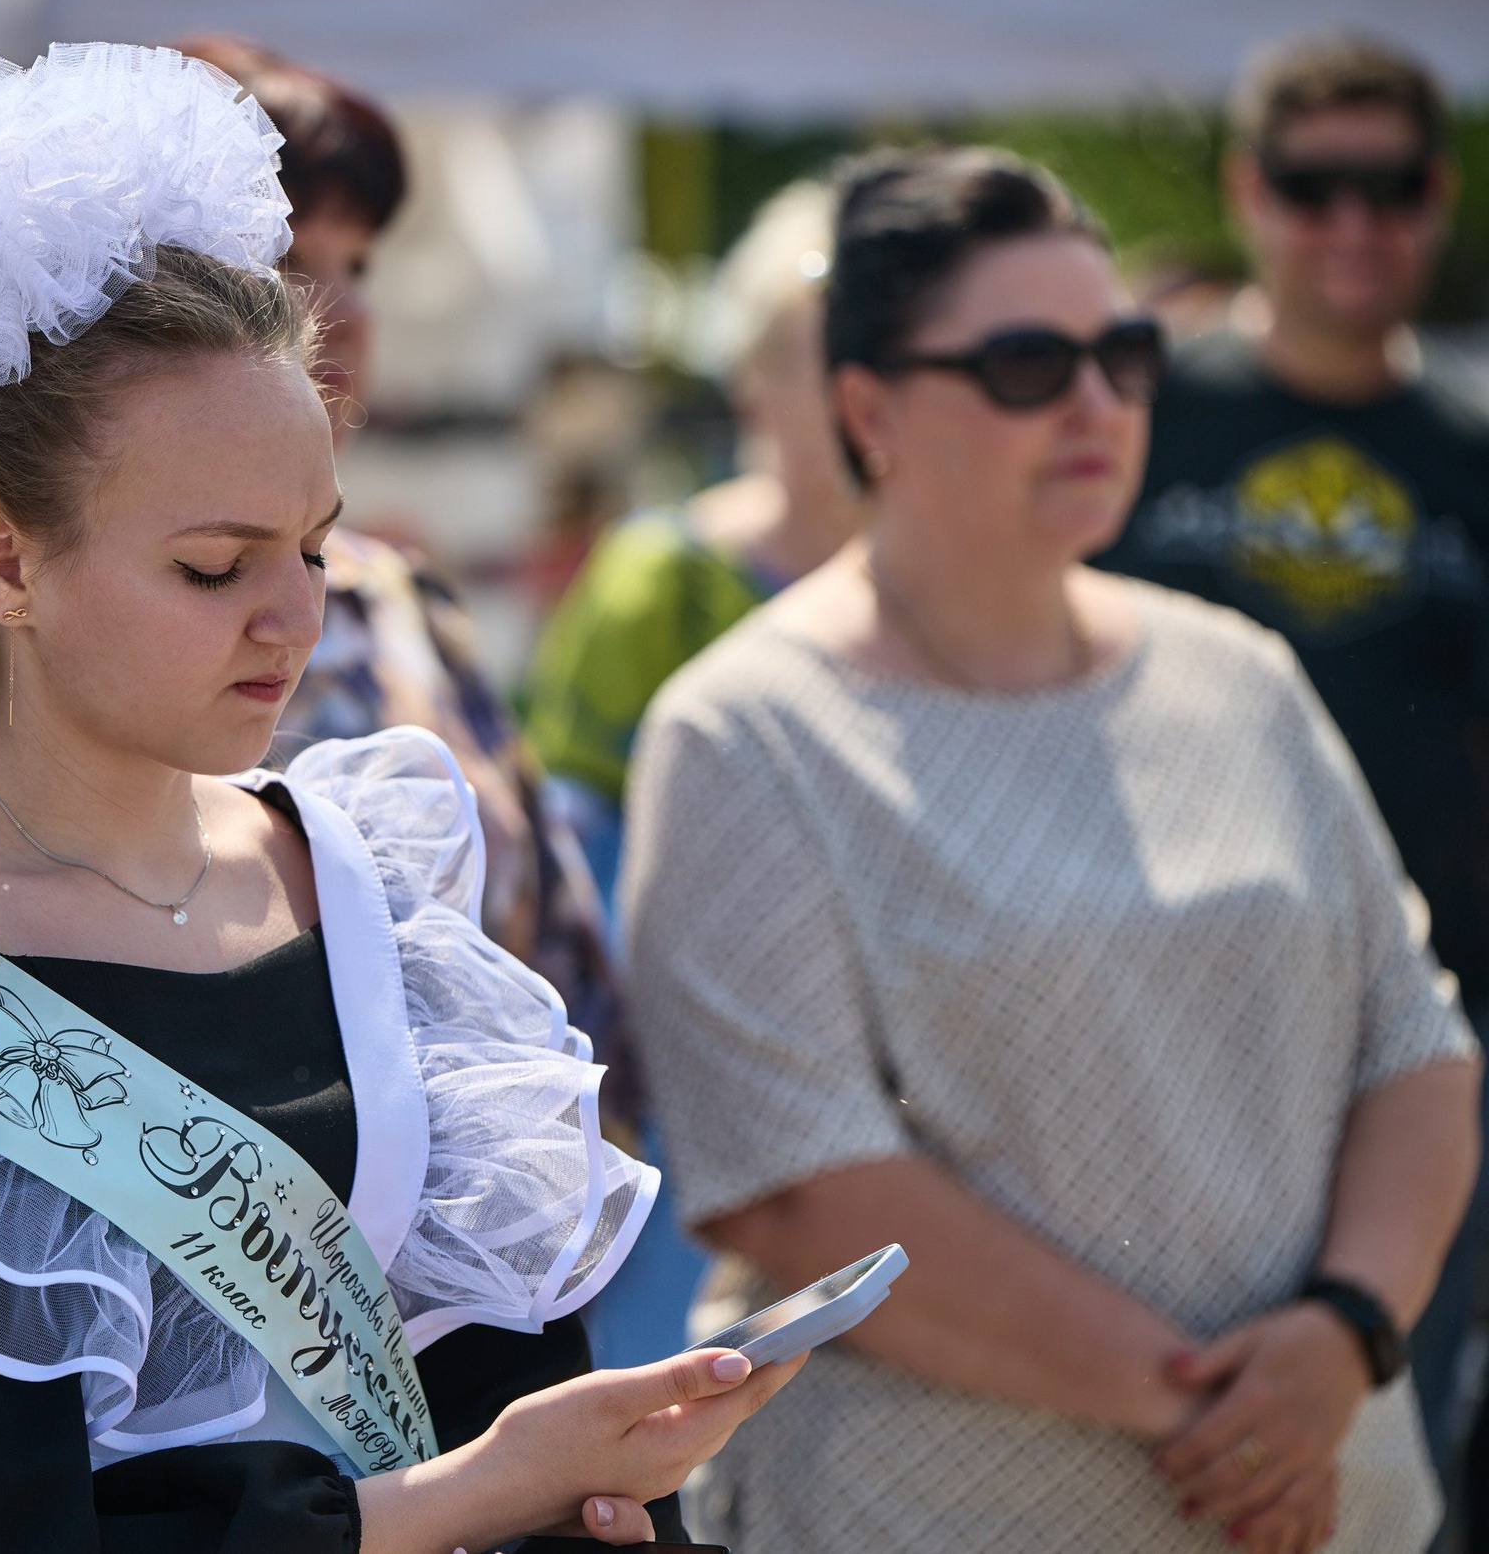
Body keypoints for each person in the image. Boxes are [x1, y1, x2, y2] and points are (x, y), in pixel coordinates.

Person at [0, 43, 799, 1554]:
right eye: (215, 567)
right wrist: (457, 1496)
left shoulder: (359, 883)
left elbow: (509, 1399)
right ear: (2, 561)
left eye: (313, 545)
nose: (295, 617)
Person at [626, 145, 1480, 1554]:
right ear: (866, 405)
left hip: (1332, 1486)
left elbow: (1420, 1049)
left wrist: (1346, 1331)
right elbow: (802, 1186)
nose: (1097, 402)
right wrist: (1233, 1412)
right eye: (1028, 363)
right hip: (943, 1512)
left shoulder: (1241, 672)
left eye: (1125, 353)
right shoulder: (746, 731)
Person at [1098, 33, 1489, 1487]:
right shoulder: (1133, 407)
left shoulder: (1471, 445)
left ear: (1437, 196)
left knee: (1388, 1444)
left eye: (1387, 187)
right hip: (1152, 1001)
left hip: (1419, 1032)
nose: (1353, 224)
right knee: (1159, 1438)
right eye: (1315, 186)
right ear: (1249, 190)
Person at [180, 34, 624, 1148]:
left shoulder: (394, 596)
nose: (344, 313)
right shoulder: (45, 619)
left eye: (362, 263)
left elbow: (558, 958)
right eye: (286, 266)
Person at [524, 177, 857, 905]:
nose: (857, 395)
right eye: (825, 362)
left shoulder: (934, 576)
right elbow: (571, 825)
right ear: (752, 381)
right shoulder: (661, 574)